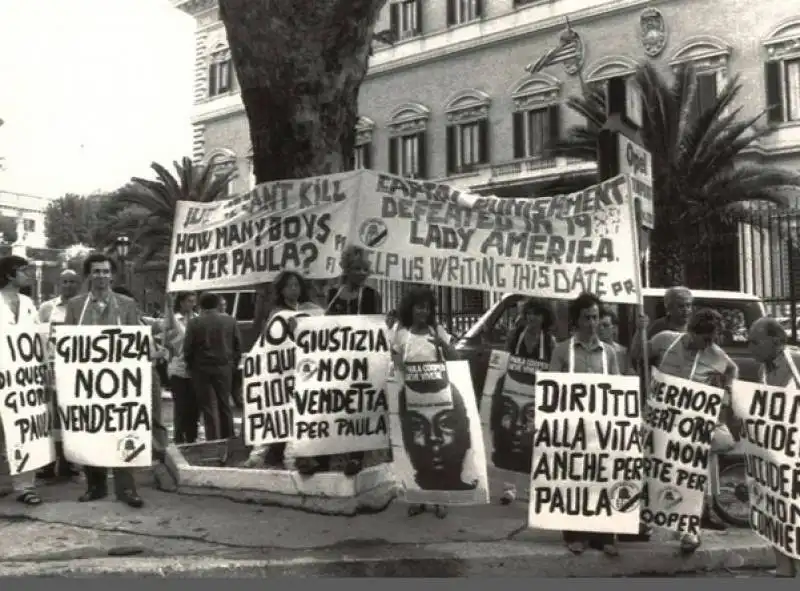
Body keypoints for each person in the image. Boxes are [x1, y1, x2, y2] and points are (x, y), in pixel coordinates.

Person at [632, 308, 737, 553]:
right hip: (660, 418)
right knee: (652, 470)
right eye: (705, 339)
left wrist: (725, 394)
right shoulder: (665, 339)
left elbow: (731, 371)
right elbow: (638, 355)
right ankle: (645, 522)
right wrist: (639, 331)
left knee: (689, 474)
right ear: (691, 332)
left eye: (713, 339)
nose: (708, 344)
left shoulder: (715, 354)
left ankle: (689, 531)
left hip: (690, 425)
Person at [63, 254, 145, 508]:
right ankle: (95, 486)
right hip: (87, 381)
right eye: (96, 271)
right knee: (90, 432)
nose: (100, 276)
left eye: (105, 271)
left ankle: (127, 489)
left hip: (121, 381)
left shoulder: (127, 304)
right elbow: (67, 342)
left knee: (124, 430)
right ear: (89, 275)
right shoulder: (76, 306)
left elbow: (136, 339)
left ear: (112, 275)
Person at [295, 245, 383, 477]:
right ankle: (322, 459)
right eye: (357, 268)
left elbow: (373, 330)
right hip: (335, 364)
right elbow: (325, 326)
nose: (363, 273)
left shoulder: (372, 296)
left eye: (366, 269)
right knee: (330, 408)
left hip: (360, 363)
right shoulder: (333, 292)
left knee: (357, 409)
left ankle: (355, 458)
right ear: (346, 269)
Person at [549, 292, 621, 556]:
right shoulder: (562, 350)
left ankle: (604, 536)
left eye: (596, 317)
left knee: (602, 477)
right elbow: (551, 389)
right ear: (576, 321)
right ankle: (575, 534)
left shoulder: (609, 353)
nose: (592, 323)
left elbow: (617, 390)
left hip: (601, 428)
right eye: (587, 317)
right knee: (574, 479)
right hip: (572, 428)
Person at [391, 285, 459, 518]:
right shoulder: (401, 333)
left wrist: (444, 346)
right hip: (412, 401)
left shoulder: (437, 330)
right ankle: (417, 498)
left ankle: (440, 500)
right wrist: (403, 370)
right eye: (419, 307)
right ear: (411, 308)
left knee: (438, 451)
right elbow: (395, 361)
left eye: (427, 308)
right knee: (415, 451)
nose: (422, 311)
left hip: (438, 400)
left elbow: (456, 358)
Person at [244, 271, 320, 469]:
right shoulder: (276, 312)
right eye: (289, 286)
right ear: (281, 290)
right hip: (279, 374)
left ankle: (291, 459)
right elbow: (272, 342)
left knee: (298, 415)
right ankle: (257, 456)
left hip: (304, 374)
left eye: (296, 285)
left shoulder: (312, 310)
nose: (293, 289)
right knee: (273, 413)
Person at [746, 317, 800, 577]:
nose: (750, 349)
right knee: (778, 507)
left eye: (755, 342)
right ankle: (785, 566)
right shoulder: (762, 371)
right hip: (776, 456)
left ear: (776, 341)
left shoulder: (797, 361)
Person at [493, 299, 555, 504]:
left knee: (533, 440)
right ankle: (509, 488)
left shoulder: (550, 341)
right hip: (513, 393)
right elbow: (504, 361)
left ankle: (532, 487)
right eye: (529, 313)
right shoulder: (515, 336)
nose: (532, 318)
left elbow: (553, 370)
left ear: (544, 318)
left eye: (537, 314)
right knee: (510, 440)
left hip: (535, 398)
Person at [0, 255, 43, 505]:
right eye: (23, 270)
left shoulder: (28, 303)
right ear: (9, 274)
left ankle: (25, 486)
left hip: (24, 380)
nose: (28, 275)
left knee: (24, 429)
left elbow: (37, 339)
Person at [37, 268, 82, 480]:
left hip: (76, 370)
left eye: (72, 282)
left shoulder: (85, 307)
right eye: (65, 282)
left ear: (78, 284)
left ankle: (68, 462)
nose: (68, 286)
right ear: (59, 284)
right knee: (49, 416)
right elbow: (38, 337)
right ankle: (47, 462)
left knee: (70, 416)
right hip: (51, 368)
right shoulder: (46, 308)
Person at [184, 292, 242, 441]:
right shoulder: (230, 321)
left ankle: (213, 441)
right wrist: (232, 365)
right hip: (224, 367)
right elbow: (237, 346)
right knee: (225, 404)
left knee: (209, 408)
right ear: (217, 304)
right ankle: (229, 438)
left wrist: (190, 366)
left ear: (201, 305)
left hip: (201, 369)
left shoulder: (194, 323)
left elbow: (188, 348)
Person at [164, 292, 199, 444]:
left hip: (195, 370)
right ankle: (179, 439)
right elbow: (168, 334)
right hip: (178, 369)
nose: (192, 304)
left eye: (194, 301)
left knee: (194, 407)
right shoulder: (174, 319)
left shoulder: (198, 319)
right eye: (189, 301)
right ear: (182, 302)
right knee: (181, 406)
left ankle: (192, 437)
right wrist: (169, 307)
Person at [599, 308, 632, 375]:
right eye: (598, 325)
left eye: (605, 325)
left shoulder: (622, 352)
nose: (601, 328)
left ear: (614, 328)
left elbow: (629, 376)